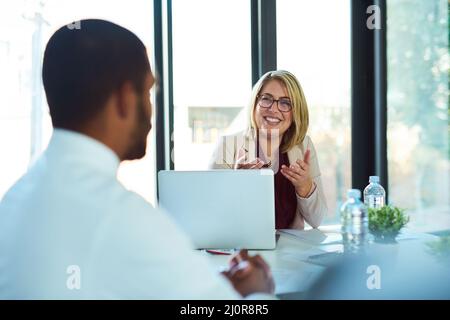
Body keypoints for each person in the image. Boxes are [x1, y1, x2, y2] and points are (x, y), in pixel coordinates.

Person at [0, 19, 274, 299]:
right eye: (148, 91)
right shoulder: (123, 218)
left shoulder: (14, 200)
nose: (151, 108)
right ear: (124, 99)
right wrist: (256, 293)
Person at [209, 70, 327, 230]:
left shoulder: (303, 146)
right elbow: (213, 217)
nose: (273, 109)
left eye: (285, 103)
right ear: (255, 103)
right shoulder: (227, 145)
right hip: (245, 248)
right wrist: (236, 185)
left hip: (291, 250)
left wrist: (305, 187)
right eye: (266, 99)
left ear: (296, 112)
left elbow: (317, 220)